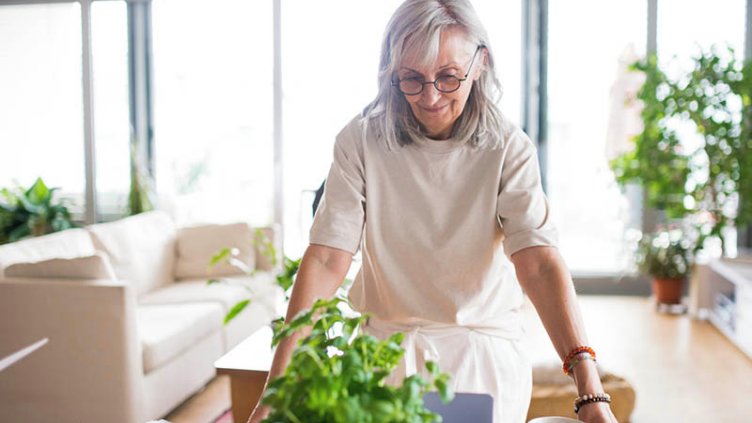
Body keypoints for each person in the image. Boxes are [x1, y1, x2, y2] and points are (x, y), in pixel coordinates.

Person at [249, 1, 618, 422]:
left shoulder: (507, 147)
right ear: (391, 71)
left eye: (447, 77)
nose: (429, 97)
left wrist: (591, 392)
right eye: (411, 78)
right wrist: (275, 391)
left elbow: (538, 265)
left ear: (480, 63)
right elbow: (327, 258)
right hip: (388, 351)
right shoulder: (360, 141)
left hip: (482, 352)